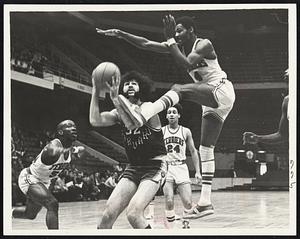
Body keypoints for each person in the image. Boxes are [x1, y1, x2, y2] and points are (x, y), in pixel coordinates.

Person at [97, 14, 235, 219]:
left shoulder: (203, 43)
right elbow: (146, 44)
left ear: (191, 30)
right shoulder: (177, 45)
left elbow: (186, 64)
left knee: (179, 89)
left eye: (180, 30)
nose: (177, 34)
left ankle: (145, 114)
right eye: (175, 31)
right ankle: (205, 202)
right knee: (205, 149)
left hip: (220, 89)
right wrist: (121, 34)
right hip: (213, 101)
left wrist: (170, 39)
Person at [89, 70, 168, 229]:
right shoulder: (118, 112)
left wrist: (115, 99)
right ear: (121, 89)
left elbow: (133, 121)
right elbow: (95, 120)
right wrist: (95, 91)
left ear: (142, 88)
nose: (130, 85)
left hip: (155, 166)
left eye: (134, 83)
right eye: (126, 83)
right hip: (133, 167)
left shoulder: (148, 108)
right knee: (107, 215)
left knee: (133, 214)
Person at [12, 120, 85, 229]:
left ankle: (9, 212)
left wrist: (76, 150)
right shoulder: (53, 146)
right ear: (60, 132)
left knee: (30, 215)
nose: (73, 128)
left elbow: (82, 150)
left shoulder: (68, 150)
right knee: (52, 203)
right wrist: (74, 149)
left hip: (43, 182)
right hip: (30, 177)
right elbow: (53, 151)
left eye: (74, 126)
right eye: (69, 126)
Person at [243, 69, 289, 145]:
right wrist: (257, 138)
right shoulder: (287, 101)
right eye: (287, 81)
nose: (288, 85)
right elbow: (282, 135)